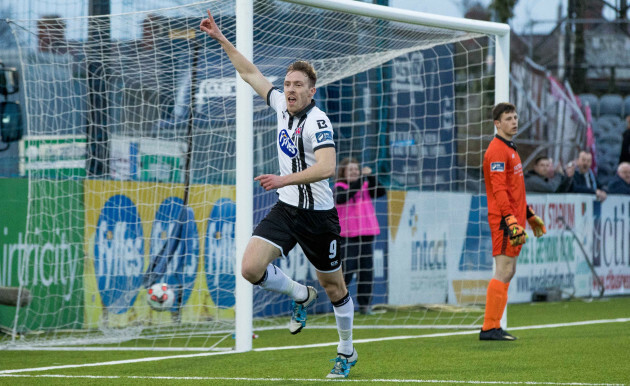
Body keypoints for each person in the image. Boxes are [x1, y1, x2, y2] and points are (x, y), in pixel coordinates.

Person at [200, 10, 357, 379]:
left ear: (311, 91)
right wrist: (222, 39)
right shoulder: (279, 108)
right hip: (287, 210)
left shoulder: (318, 121)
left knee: (334, 287)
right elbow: (250, 72)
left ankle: (346, 352)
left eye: (298, 84)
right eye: (287, 83)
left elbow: (327, 167)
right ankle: (300, 295)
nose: (289, 89)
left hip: (318, 215)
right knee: (250, 268)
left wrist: (283, 180)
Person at [481, 102, 547, 341]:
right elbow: (498, 189)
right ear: (497, 123)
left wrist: (528, 214)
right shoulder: (497, 150)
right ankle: (490, 328)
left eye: (516, 117)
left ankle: (493, 326)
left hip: (514, 219)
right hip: (503, 220)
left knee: (509, 271)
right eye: (508, 118)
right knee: (503, 270)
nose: (514, 122)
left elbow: (514, 189)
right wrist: (509, 218)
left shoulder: (511, 148)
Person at [334, 158, 386, 316]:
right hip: (348, 236)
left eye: (357, 170)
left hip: (366, 234)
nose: (355, 173)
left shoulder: (365, 184)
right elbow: (342, 198)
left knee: (366, 272)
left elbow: (381, 192)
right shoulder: (339, 187)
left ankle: (365, 305)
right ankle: (341, 304)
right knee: (347, 271)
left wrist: (370, 177)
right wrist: (362, 179)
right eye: (351, 170)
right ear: (343, 172)